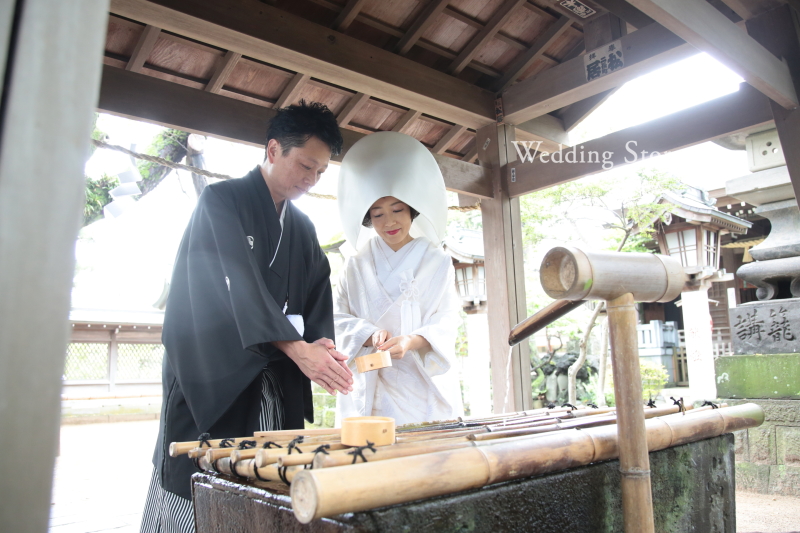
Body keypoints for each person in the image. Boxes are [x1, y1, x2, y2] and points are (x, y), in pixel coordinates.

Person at [141, 101, 353, 533]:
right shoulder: (221, 201)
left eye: (320, 172)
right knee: (200, 477)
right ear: (273, 150)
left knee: (268, 479)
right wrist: (297, 348)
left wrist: (320, 346)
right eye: (305, 166)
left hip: (273, 381)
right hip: (214, 374)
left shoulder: (303, 228)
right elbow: (228, 285)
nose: (311, 180)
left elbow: (316, 292)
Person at [334, 132, 463, 426]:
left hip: (419, 384)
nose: (389, 222)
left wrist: (411, 341)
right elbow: (336, 317)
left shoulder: (437, 262)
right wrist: (368, 333)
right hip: (372, 383)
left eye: (397, 210)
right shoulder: (355, 266)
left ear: (412, 210)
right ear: (368, 219)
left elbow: (447, 320)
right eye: (377, 215)